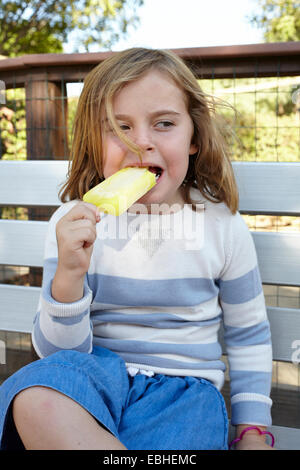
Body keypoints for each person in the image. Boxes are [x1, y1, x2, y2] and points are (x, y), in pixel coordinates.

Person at [0, 48, 273, 450]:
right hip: (93, 379)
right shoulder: (73, 224)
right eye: (119, 127)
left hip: (184, 393)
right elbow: (58, 354)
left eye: (164, 123)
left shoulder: (221, 226)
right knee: (34, 396)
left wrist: (253, 430)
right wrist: (69, 278)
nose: (141, 141)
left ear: (194, 137)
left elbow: (248, 336)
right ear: (95, 140)